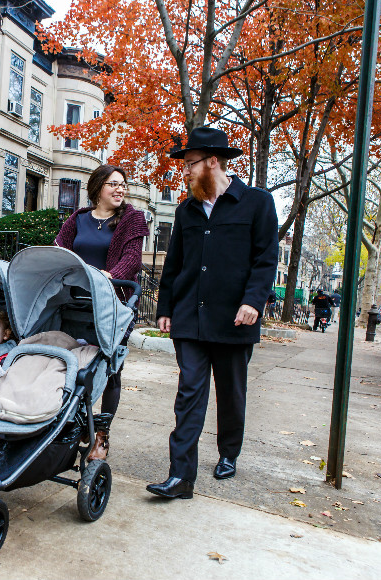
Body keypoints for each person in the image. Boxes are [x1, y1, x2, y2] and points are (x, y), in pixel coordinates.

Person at [146, 126, 278, 500]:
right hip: (190, 317)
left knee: (231, 392)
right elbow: (174, 264)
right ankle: (181, 476)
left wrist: (253, 301)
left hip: (236, 318)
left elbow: (266, 259)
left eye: (189, 164)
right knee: (188, 393)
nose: (184, 172)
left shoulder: (256, 202)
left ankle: (228, 452)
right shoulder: (186, 210)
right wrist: (166, 308)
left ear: (213, 162)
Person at [55, 164, 149, 461]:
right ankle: (72, 419)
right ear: (97, 189)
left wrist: (108, 277)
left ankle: (102, 434)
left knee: (110, 370)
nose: (120, 189)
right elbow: (59, 249)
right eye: (113, 184)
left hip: (113, 304)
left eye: (123, 184)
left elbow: (132, 259)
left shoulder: (132, 219)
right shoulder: (78, 218)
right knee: (71, 364)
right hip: (75, 303)